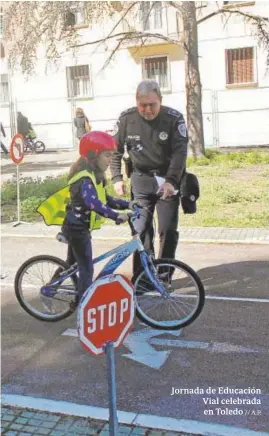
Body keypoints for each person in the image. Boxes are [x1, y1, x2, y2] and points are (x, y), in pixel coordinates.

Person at [38, 131, 136, 301]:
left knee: (72, 264)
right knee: (86, 269)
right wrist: (116, 216)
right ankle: (83, 303)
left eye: (112, 155)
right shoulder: (83, 178)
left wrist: (128, 204)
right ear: (93, 155)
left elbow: (105, 199)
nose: (110, 159)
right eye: (107, 155)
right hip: (76, 229)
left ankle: (51, 288)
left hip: (78, 226)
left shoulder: (94, 175)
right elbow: (94, 204)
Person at [110, 79, 188, 272]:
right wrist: (117, 178)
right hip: (140, 179)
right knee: (140, 229)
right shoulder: (126, 119)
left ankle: (164, 273)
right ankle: (144, 276)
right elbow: (115, 150)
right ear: (137, 102)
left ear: (160, 100)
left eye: (152, 104)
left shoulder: (173, 118)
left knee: (167, 230)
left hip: (167, 180)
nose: (147, 109)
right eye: (142, 105)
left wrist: (171, 181)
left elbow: (180, 153)